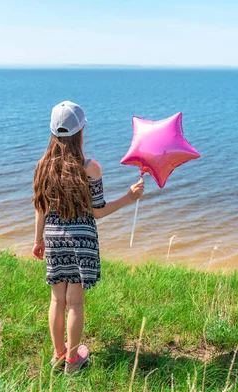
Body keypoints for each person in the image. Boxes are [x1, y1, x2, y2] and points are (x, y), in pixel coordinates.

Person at [32, 101, 144, 374]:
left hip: (54, 238)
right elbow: (96, 212)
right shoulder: (90, 168)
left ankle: (58, 355)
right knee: (76, 302)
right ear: (81, 131)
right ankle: (73, 360)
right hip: (81, 240)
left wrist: (38, 240)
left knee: (57, 299)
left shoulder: (42, 166)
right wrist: (129, 198)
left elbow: (40, 207)